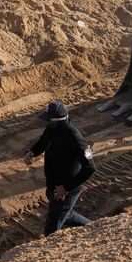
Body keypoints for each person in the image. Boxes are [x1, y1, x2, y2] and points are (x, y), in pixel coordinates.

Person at [23, 101, 95, 236]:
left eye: (48, 120)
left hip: (65, 191)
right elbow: (43, 142)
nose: (46, 123)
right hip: (53, 186)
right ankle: (95, 227)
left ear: (58, 121)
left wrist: (66, 188)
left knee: (51, 231)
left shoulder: (75, 138)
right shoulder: (52, 128)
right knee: (65, 215)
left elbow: (90, 168)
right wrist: (31, 152)